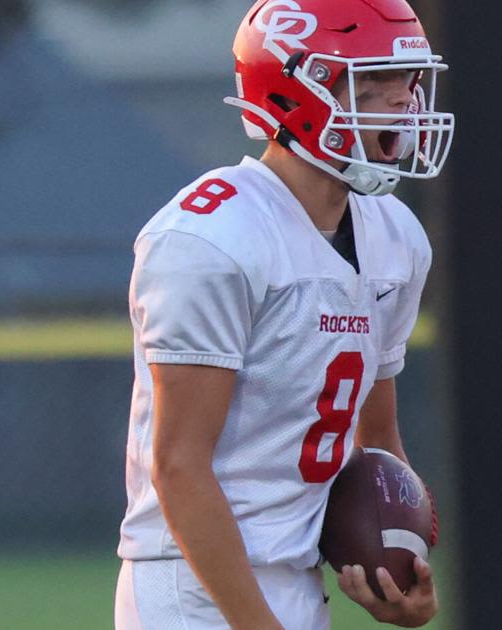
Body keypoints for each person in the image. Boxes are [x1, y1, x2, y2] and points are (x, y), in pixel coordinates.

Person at [113, 0, 453, 627]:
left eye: (409, 81)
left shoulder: (395, 236)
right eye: (374, 83)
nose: (406, 105)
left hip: (297, 577)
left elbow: (374, 441)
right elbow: (179, 465)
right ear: (301, 92)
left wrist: (399, 565)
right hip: (193, 587)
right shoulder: (211, 239)